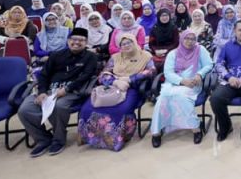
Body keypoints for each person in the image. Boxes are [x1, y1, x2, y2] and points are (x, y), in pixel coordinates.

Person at [17, 28, 98, 157]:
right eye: (74, 39)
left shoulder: (91, 57)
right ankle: (43, 139)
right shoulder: (56, 55)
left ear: (86, 42)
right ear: (68, 40)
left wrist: (66, 89)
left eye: (81, 40)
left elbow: (86, 77)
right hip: (49, 90)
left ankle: (58, 140)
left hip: (72, 91)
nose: (77, 42)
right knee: (24, 110)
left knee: (59, 106)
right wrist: (42, 92)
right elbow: (44, 75)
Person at [77, 34, 154, 151]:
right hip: (112, 87)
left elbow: (151, 71)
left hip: (132, 88)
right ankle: (91, 137)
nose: (126, 46)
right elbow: (104, 73)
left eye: (129, 42)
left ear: (135, 42)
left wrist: (130, 79)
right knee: (87, 107)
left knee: (121, 109)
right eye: (123, 44)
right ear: (119, 46)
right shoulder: (115, 57)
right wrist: (114, 81)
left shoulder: (145, 56)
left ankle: (115, 139)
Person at [150, 29, 214, 147]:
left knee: (182, 96)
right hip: (174, 82)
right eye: (187, 38)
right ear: (181, 39)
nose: (190, 41)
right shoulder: (173, 53)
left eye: (193, 39)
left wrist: (200, 74)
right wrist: (181, 81)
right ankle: (156, 132)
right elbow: (168, 73)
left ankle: (195, 128)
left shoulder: (200, 50)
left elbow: (209, 64)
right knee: (162, 98)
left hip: (193, 82)